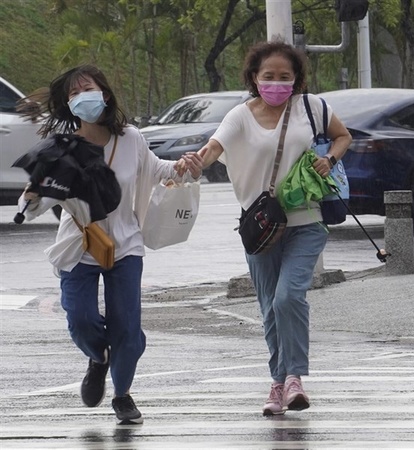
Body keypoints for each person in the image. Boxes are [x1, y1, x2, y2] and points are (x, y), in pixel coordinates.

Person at [18, 65, 202, 425]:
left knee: (126, 327)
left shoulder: (131, 138)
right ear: (67, 104)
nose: (81, 97)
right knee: (81, 319)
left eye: (87, 88)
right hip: (78, 246)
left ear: (104, 93)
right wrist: (30, 198)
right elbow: (37, 201)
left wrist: (186, 165)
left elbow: (160, 170)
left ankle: (122, 395)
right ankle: (98, 358)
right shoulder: (61, 148)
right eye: (73, 94)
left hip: (126, 246)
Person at [193, 41, 352, 415]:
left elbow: (343, 136)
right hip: (260, 228)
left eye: (285, 76)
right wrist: (193, 163)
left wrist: (330, 158)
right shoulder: (239, 116)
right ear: (254, 78)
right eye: (269, 76)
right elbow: (214, 148)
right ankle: (278, 383)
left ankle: (294, 377)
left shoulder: (312, 108)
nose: (277, 83)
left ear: (296, 80)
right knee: (268, 308)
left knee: (287, 297)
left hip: (305, 221)